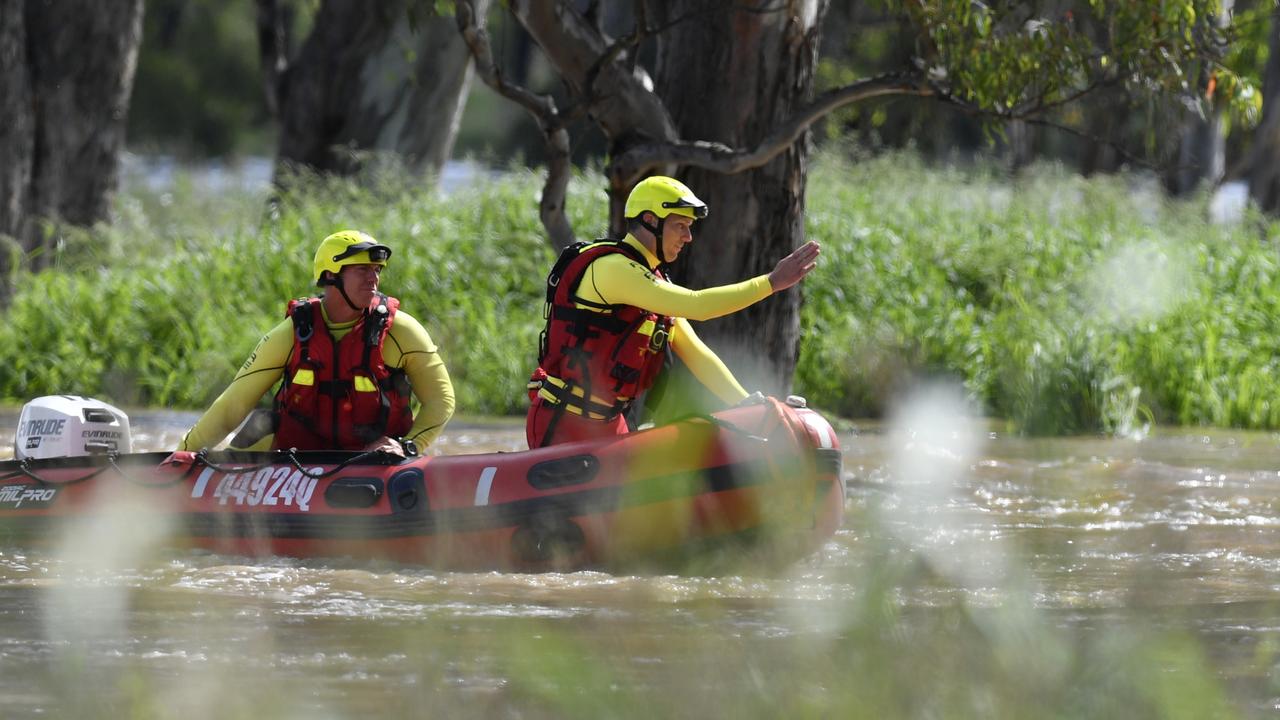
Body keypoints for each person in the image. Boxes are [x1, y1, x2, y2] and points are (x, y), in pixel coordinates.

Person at [526, 175, 820, 448]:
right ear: (650, 220)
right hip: (564, 420)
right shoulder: (613, 269)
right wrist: (770, 283)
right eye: (681, 225)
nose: (688, 237)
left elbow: (696, 353)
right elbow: (697, 305)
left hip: (610, 423)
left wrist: (744, 402)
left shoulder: (654, 283)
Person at [179, 230, 455, 456]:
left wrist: (409, 446)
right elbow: (232, 405)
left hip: (376, 462)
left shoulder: (402, 330)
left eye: (377, 269)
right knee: (259, 427)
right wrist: (182, 456)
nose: (374, 278)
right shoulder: (292, 333)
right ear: (330, 276)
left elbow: (441, 400)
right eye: (362, 269)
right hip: (299, 460)